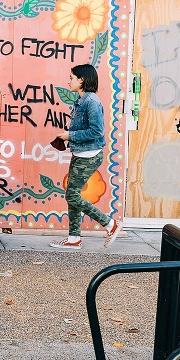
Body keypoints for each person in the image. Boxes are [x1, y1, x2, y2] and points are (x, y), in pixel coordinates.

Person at [49, 64, 120, 249]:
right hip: (81, 153)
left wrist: (69, 136)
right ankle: (74, 239)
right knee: (72, 194)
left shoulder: (92, 102)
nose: (68, 81)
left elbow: (97, 131)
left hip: (89, 155)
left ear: (82, 80)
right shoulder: (80, 101)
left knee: (72, 195)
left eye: (72, 77)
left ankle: (110, 224)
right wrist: (68, 136)